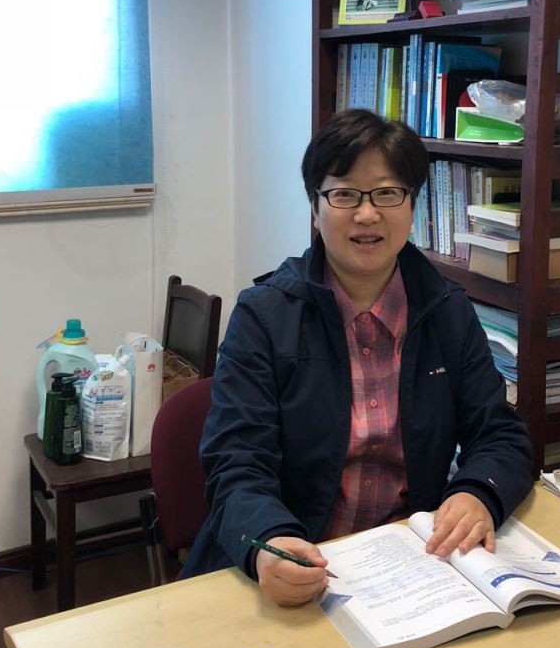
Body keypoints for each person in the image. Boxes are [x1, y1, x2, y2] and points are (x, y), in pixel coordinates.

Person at [182, 109, 534, 605]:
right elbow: (236, 462)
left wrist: (478, 492)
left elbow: (499, 433)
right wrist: (270, 542)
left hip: (411, 569)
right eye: (345, 194)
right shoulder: (264, 317)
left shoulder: (446, 311)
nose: (367, 215)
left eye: (387, 194)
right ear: (315, 207)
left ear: (412, 206)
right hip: (298, 565)